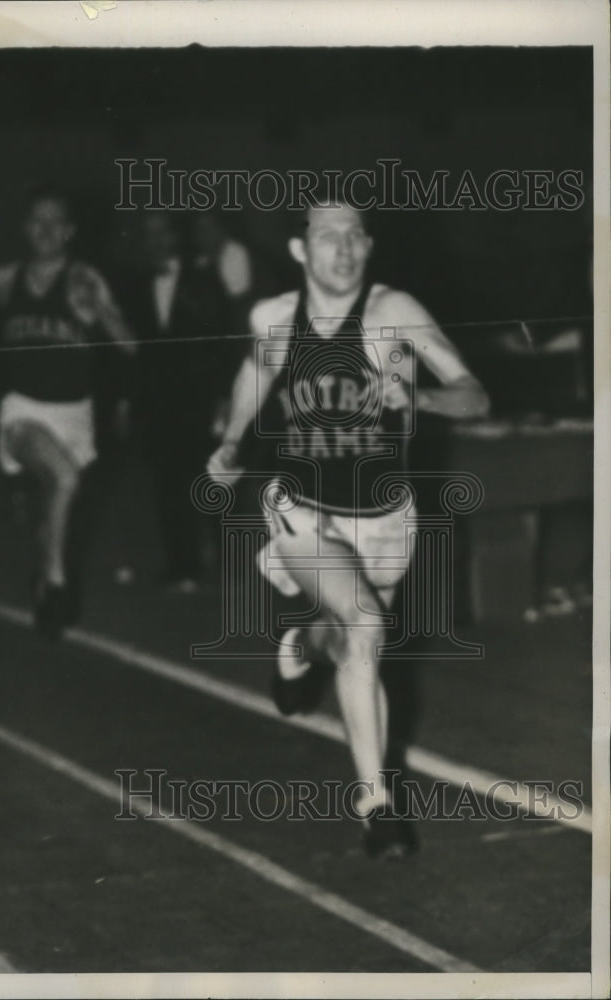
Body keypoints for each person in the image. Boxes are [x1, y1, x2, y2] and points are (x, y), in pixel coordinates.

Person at [208, 201, 489, 858]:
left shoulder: (396, 313)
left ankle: (300, 643)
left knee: (351, 643)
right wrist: (227, 445)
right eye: (328, 238)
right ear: (300, 251)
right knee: (366, 629)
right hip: (304, 512)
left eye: (355, 237)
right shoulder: (274, 318)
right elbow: (256, 373)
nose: (344, 249)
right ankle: (376, 804)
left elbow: (476, 395)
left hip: (387, 522)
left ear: (369, 247)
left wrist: (419, 398)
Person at [0, 184, 135, 638]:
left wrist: (98, 313)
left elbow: (129, 343)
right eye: (38, 221)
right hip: (24, 411)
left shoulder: (84, 279)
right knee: (65, 480)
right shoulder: (5, 278)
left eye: (56, 222)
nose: (46, 230)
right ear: (25, 227)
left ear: (69, 231)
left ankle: (43, 571)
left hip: (76, 416)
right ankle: (54, 586)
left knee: (57, 504)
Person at [126, 212, 239, 591]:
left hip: (199, 399)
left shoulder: (204, 280)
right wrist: (128, 400)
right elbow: (134, 350)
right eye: (148, 234)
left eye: (163, 232)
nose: (156, 241)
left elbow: (224, 341)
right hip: (156, 403)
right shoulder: (136, 284)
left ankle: (230, 564)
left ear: (176, 237)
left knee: (212, 483)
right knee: (167, 487)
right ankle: (183, 566)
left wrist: (224, 398)